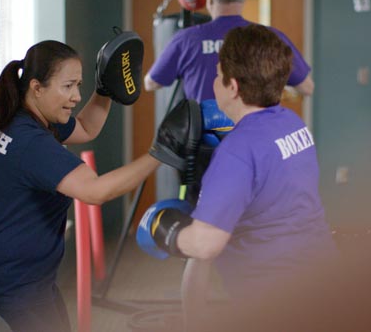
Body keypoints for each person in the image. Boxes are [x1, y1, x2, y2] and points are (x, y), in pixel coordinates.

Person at [0, 38, 193, 332]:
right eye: (68, 86)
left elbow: (86, 127)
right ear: (37, 87)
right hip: (15, 279)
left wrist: (104, 90)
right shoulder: (31, 143)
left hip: (22, 273)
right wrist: (161, 153)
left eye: (79, 85)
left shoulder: (23, 116)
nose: (77, 95)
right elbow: (96, 191)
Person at [138, 25, 336, 331]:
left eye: (218, 76)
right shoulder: (293, 124)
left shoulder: (236, 152)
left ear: (232, 87)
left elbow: (204, 246)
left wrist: (162, 226)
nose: (214, 82)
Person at [144, 0, 314, 102]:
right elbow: (307, 88)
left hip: (204, 147)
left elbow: (150, 83)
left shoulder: (186, 39)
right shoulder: (271, 37)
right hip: (253, 143)